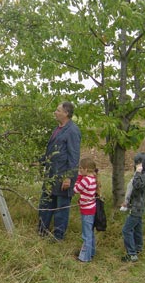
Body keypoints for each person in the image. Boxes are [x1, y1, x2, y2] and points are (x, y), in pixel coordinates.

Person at [37, 101, 81, 241]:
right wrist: (39, 161)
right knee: (45, 203)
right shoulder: (57, 129)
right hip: (51, 174)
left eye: (58, 110)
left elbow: (74, 157)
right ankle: (41, 231)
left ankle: (58, 237)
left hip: (63, 176)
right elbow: (53, 152)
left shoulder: (73, 131)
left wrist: (69, 177)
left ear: (66, 113)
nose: (55, 112)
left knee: (61, 208)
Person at [121, 152, 145, 262]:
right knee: (137, 228)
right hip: (138, 207)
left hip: (136, 208)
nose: (134, 166)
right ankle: (138, 247)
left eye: (137, 164)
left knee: (126, 229)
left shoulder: (143, 176)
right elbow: (134, 192)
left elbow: (136, 185)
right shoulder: (144, 175)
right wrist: (127, 202)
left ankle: (132, 254)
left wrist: (138, 173)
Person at [73, 157, 98, 262]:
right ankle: (91, 252)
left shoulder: (86, 180)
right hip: (91, 208)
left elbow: (76, 189)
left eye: (81, 169)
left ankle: (84, 257)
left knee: (86, 234)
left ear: (86, 169)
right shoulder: (93, 178)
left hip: (86, 210)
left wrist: (78, 177)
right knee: (90, 233)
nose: (80, 170)